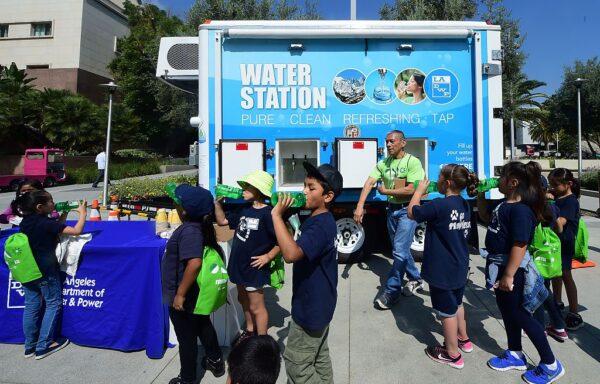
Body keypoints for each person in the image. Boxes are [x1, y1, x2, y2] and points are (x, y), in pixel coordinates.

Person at [478, 162, 565, 384]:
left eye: (502, 177)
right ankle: (515, 353)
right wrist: (478, 194)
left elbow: (520, 244)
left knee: (520, 314)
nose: (498, 180)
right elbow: (488, 218)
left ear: (513, 182)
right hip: (500, 266)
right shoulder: (504, 204)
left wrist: (508, 275)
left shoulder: (521, 211)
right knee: (508, 312)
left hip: (513, 269)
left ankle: (550, 364)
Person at [272, 162, 342, 384]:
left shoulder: (320, 225)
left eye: (311, 188)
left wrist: (276, 216)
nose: (304, 191)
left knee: (297, 365)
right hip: (319, 303)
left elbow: (291, 255)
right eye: (304, 186)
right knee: (318, 356)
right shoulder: (317, 219)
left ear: (328, 196)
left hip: (311, 307)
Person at [408, 164, 476, 369]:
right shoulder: (464, 204)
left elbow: (412, 212)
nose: (435, 180)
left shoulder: (439, 205)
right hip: (460, 264)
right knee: (457, 304)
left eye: (438, 177)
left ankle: (452, 353)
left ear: (446, 183)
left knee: (446, 311)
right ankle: (464, 339)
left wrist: (418, 191)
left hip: (442, 269)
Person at [354, 130, 425, 310]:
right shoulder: (383, 163)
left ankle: (391, 292)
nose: (388, 145)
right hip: (391, 210)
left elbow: (413, 190)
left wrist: (387, 192)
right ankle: (416, 279)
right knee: (400, 249)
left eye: (392, 141)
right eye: (386, 142)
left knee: (399, 251)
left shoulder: (413, 162)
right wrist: (360, 205)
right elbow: (369, 183)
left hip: (407, 211)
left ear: (403, 143)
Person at [161, 184, 224, 384]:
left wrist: (180, 294)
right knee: (202, 324)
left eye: (177, 202)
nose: (174, 204)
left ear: (185, 210)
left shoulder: (189, 231)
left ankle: (187, 378)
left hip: (184, 294)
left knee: (186, 339)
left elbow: (195, 263)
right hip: (194, 293)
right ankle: (215, 359)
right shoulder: (198, 227)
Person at [16, 190, 87, 359]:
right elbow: (76, 230)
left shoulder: (26, 222)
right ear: (40, 207)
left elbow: (55, 230)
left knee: (32, 305)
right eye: (50, 201)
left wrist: (63, 215)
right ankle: (43, 346)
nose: (53, 204)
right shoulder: (46, 224)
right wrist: (82, 214)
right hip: (45, 272)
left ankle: (29, 346)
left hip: (28, 271)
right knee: (53, 303)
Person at [214, 170, 280, 341]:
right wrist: (217, 204)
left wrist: (268, 257)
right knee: (242, 298)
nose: (242, 190)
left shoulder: (269, 214)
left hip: (254, 268)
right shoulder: (243, 209)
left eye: (247, 186)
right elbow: (222, 222)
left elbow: (282, 240)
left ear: (258, 189)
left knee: (257, 306)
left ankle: (262, 340)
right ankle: (250, 331)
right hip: (238, 265)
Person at [532, 175, 569, 342]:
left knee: (539, 292)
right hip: (550, 256)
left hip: (538, 256)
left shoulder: (535, 207)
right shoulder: (553, 207)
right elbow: (559, 229)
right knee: (546, 291)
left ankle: (540, 328)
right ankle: (559, 327)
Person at [548, 168, 583, 331]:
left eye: (555, 184)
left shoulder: (570, 201)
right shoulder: (557, 197)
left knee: (566, 275)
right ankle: (557, 301)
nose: (552, 187)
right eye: (550, 184)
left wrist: (549, 207)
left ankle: (574, 312)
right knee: (556, 274)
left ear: (568, 184)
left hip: (565, 244)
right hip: (555, 244)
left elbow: (560, 224)